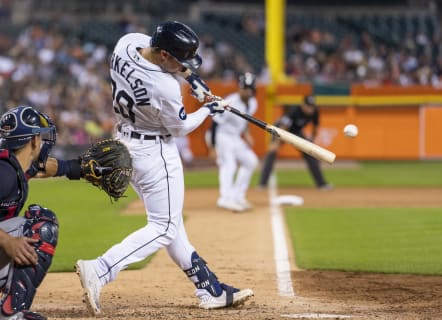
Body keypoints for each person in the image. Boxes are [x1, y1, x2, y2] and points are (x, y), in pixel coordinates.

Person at [74, 20, 254, 316]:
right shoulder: (164, 86)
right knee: (164, 227)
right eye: (180, 60)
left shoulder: (126, 43)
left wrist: (190, 77)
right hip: (156, 151)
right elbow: (181, 127)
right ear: (165, 56)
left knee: (172, 224)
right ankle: (101, 269)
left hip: (127, 144)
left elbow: (163, 57)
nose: (185, 65)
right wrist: (209, 108)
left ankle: (210, 289)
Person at [0, 105, 86, 320]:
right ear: (33, 140)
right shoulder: (5, 174)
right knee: (41, 224)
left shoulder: (13, 165)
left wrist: (80, 168)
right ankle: (10, 313)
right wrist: (8, 241)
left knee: (29, 227)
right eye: (40, 136)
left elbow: (44, 168)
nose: (42, 141)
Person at [208, 72, 258, 212]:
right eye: (243, 87)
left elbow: (244, 121)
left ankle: (237, 196)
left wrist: (247, 134)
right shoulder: (230, 102)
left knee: (251, 161)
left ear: (253, 90)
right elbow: (214, 124)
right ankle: (225, 199)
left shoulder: (253, 103)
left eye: (248, 88)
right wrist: (212, 147)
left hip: (236, 137)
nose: (245, 91)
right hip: (223, 136)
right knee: (229, 165)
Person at [258, 95, 331, 189]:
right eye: (308, 106)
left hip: (296, 132)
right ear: (303, 105)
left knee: (310, 152)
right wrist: (276, 142)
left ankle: (321, 184)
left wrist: (312, 140)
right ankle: (262, 184)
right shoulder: (295, 111)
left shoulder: (315, 112)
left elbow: (315, 127)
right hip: (281, 130)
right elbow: (283, 126)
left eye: (312, 106)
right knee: (272, 152)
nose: (310, 109)